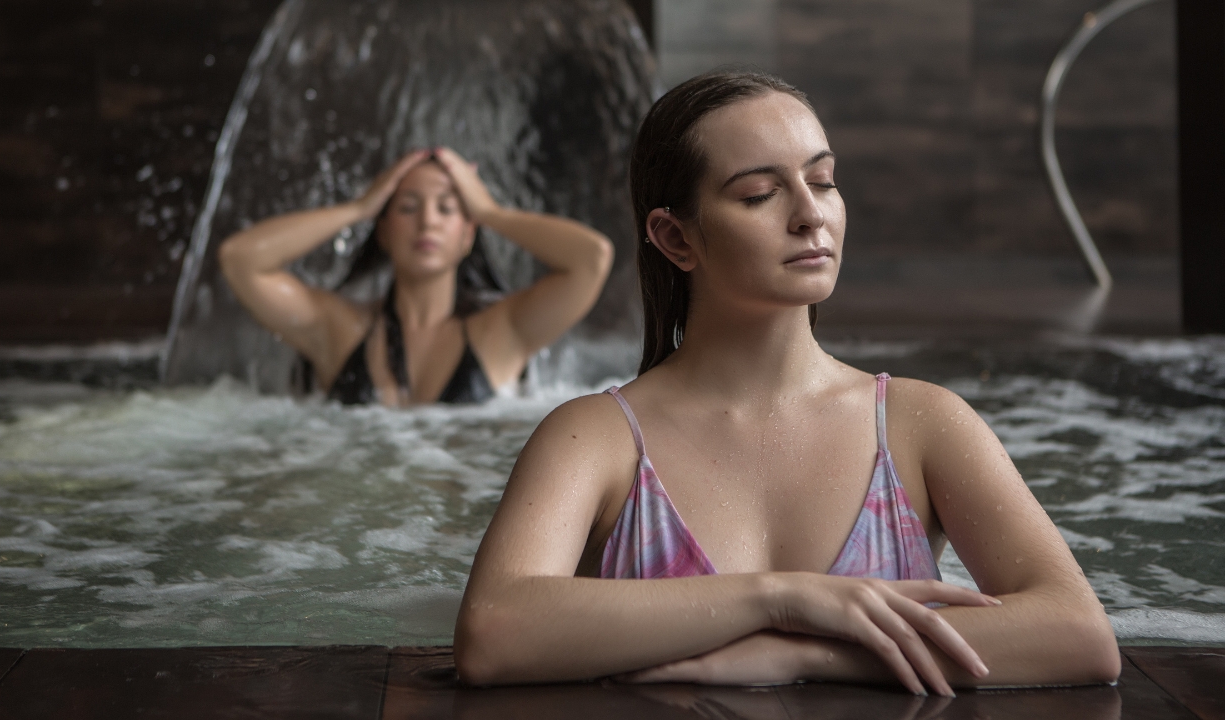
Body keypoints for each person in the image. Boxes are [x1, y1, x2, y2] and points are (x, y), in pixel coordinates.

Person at [454, 72, 1120, 694]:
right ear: (675, 238)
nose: (811, 215)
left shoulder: (920, 423)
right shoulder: (597, 438)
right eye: (759, 194)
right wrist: (781, 598)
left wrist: (806, 653)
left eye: (823, 181)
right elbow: (494, 633)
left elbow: (1079, 634)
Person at [219, 147, 614, 405]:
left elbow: (592, 258)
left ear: (466, 235)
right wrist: (359, 208)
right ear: (385, 231)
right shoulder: (340, 330)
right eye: (408, 207)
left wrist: (492, 213)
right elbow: (240, 259)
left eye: (446, 208)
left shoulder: (502, 331)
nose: (427, 221)